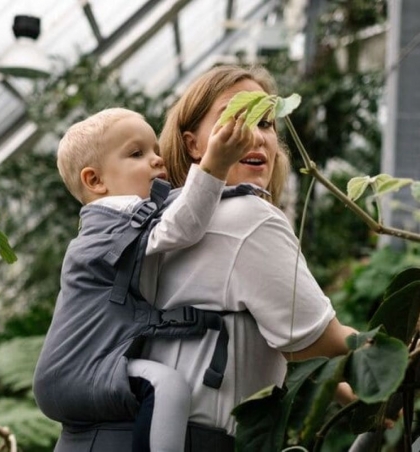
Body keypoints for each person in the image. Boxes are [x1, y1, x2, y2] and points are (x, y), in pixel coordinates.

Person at [135, 64, 358, 444]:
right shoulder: (248, 218)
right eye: (235, 120)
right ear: (193, 145)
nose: (255, 135)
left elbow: (291, 343)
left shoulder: (165, 220)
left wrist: (350, 394)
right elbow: (324, 341)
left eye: (267, 123)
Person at [32, 106, 257, 452]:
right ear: (95, 181)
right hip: (74, 373)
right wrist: (215, 165)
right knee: (168, 386)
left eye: (155, 150)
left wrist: (231, 189)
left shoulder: (131, 216)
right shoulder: (104, 229)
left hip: (88, 366)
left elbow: (179, 204)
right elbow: (181, 225)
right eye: (137, 153)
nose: (156, 160)